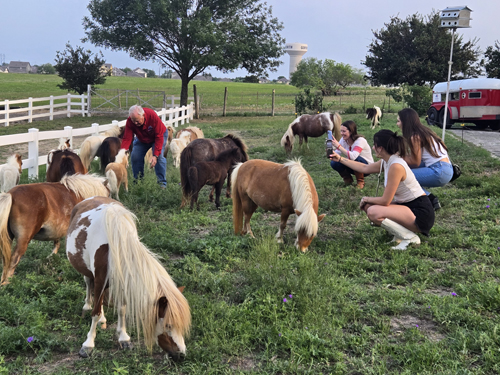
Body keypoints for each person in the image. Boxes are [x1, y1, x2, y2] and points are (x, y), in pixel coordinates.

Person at [330, 129, 435, 250]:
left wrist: (366, 198)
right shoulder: (388, 161)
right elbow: (365, 168)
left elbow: (385, 200)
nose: (373, 148)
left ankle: (410, 237)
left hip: (420, 212)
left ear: (380, 148)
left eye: (375, 145)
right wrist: (340, 159)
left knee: (373, 211)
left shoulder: (396, 166)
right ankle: (400, 235)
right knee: (369, 206)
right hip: (408, 207)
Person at [397, 108, 453, 210]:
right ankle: (427, 199)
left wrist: (397, 157)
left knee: (400, 176)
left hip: (439, 170)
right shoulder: (424, 132)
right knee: (404, 171)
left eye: (398, 121)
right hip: (446, 168)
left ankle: (430, 199)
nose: (397, 124)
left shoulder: (415, 137)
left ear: (405, 122)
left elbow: (415, 162)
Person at [120, 105, 168, 188]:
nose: (135, 123)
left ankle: (162, 184)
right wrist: (122, 153)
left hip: (159, 135)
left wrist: (155, 155)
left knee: (159, 157)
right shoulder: (130, 121)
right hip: (142, 138)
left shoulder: (152, 116)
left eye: (137, 121)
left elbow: (159, 136)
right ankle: (138, 182)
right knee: (135, 156)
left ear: (143, 115)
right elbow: (127, 138)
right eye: (133, 121)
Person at [330, 120, 374, 188]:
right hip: (352, 166)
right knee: (334, 162)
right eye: (341, 131)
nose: (341, 133)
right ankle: (348, 179)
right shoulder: (343, 140)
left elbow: (353, 156)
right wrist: (331, 152)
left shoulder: (360, 140)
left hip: (366, 167)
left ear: (351, 131)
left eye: (344, 131)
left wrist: (338, 146)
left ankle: (360, 181)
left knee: (356, 159)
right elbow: (337, 152)